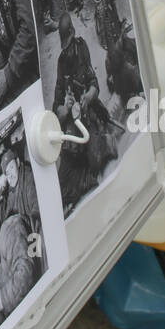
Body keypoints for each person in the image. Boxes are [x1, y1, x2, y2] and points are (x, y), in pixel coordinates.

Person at [54, 12, 116, 209]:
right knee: (61, 184)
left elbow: (94, 84)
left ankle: (91, 174)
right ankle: (83, 182)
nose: (69, 48)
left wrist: (88, 96)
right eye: (66, 44)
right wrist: (66, 105)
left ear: (73, 35)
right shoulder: (61, 62)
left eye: (70, 42)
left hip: (88, 111)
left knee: (99, 159)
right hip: (72, 123)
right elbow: (56, 108)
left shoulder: (82, 48)